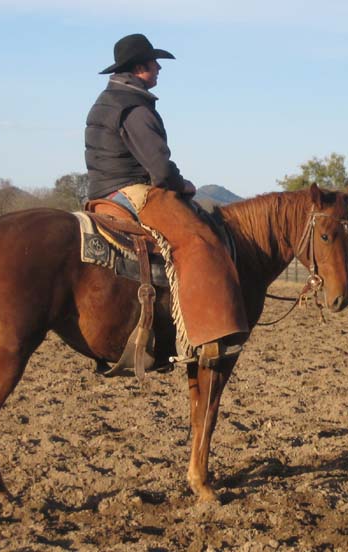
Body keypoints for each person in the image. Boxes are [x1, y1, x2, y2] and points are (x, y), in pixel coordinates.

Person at [85, 33, 249, 365]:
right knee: (201, 239)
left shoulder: (107, 101)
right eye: (154, 63)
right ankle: (206, 335)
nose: (159, 68)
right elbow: (158, 167)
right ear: (139, 68)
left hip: (102, 191)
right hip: (132, 188)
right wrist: (181, 184)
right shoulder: (134, 107)